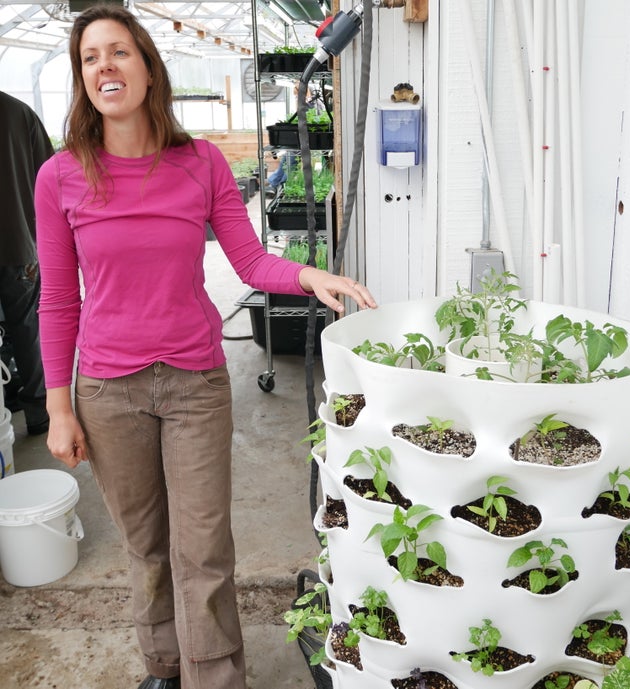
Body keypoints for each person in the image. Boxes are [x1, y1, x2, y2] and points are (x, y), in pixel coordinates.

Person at [33, 6, 376, 689]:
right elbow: (58, 299)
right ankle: (163, 668)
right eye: (90, 57)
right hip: (107, 388)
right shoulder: (60, 176)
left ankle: (215, 678)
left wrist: (310, 274)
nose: (106, 66)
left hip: (193, 383)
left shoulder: (200, 163)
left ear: (147, 66)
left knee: (205, 550)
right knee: (147, 549)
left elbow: (250, 261)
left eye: (119, 53)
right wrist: (59, 407)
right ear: (81, 78)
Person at [0, 91, 55, 434]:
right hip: (18, 244)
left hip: (20, 245)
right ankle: (38, 411)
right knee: (27, 329)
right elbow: (48, 177)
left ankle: (6, 400)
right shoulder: (20, 113)